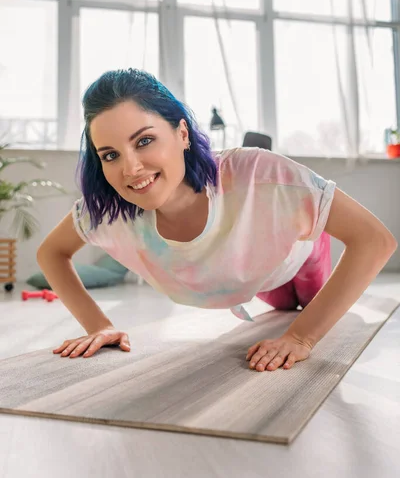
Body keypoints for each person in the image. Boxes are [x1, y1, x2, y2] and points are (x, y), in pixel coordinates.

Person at [37, 68, 398, 373]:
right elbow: (51, 253)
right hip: (249, 278)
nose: (130, 168)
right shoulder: (109, 210)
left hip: (298, 253)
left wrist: (301, 337)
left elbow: (376, 240)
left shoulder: (257, 172)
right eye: (111, 154)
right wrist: (99, 326)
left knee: (306, 309)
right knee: (284, 308)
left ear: (181, 134)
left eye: (145, 140)